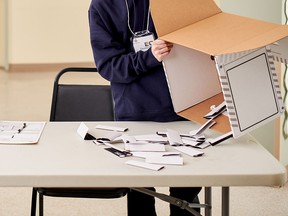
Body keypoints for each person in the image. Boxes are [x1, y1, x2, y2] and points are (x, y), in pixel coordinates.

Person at [88, 0, 202, 215]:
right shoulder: (103, 5)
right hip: (135, 115)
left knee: (185, 198)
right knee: (141, 197)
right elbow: (109, 67)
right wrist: (149, 57)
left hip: (186, 110)